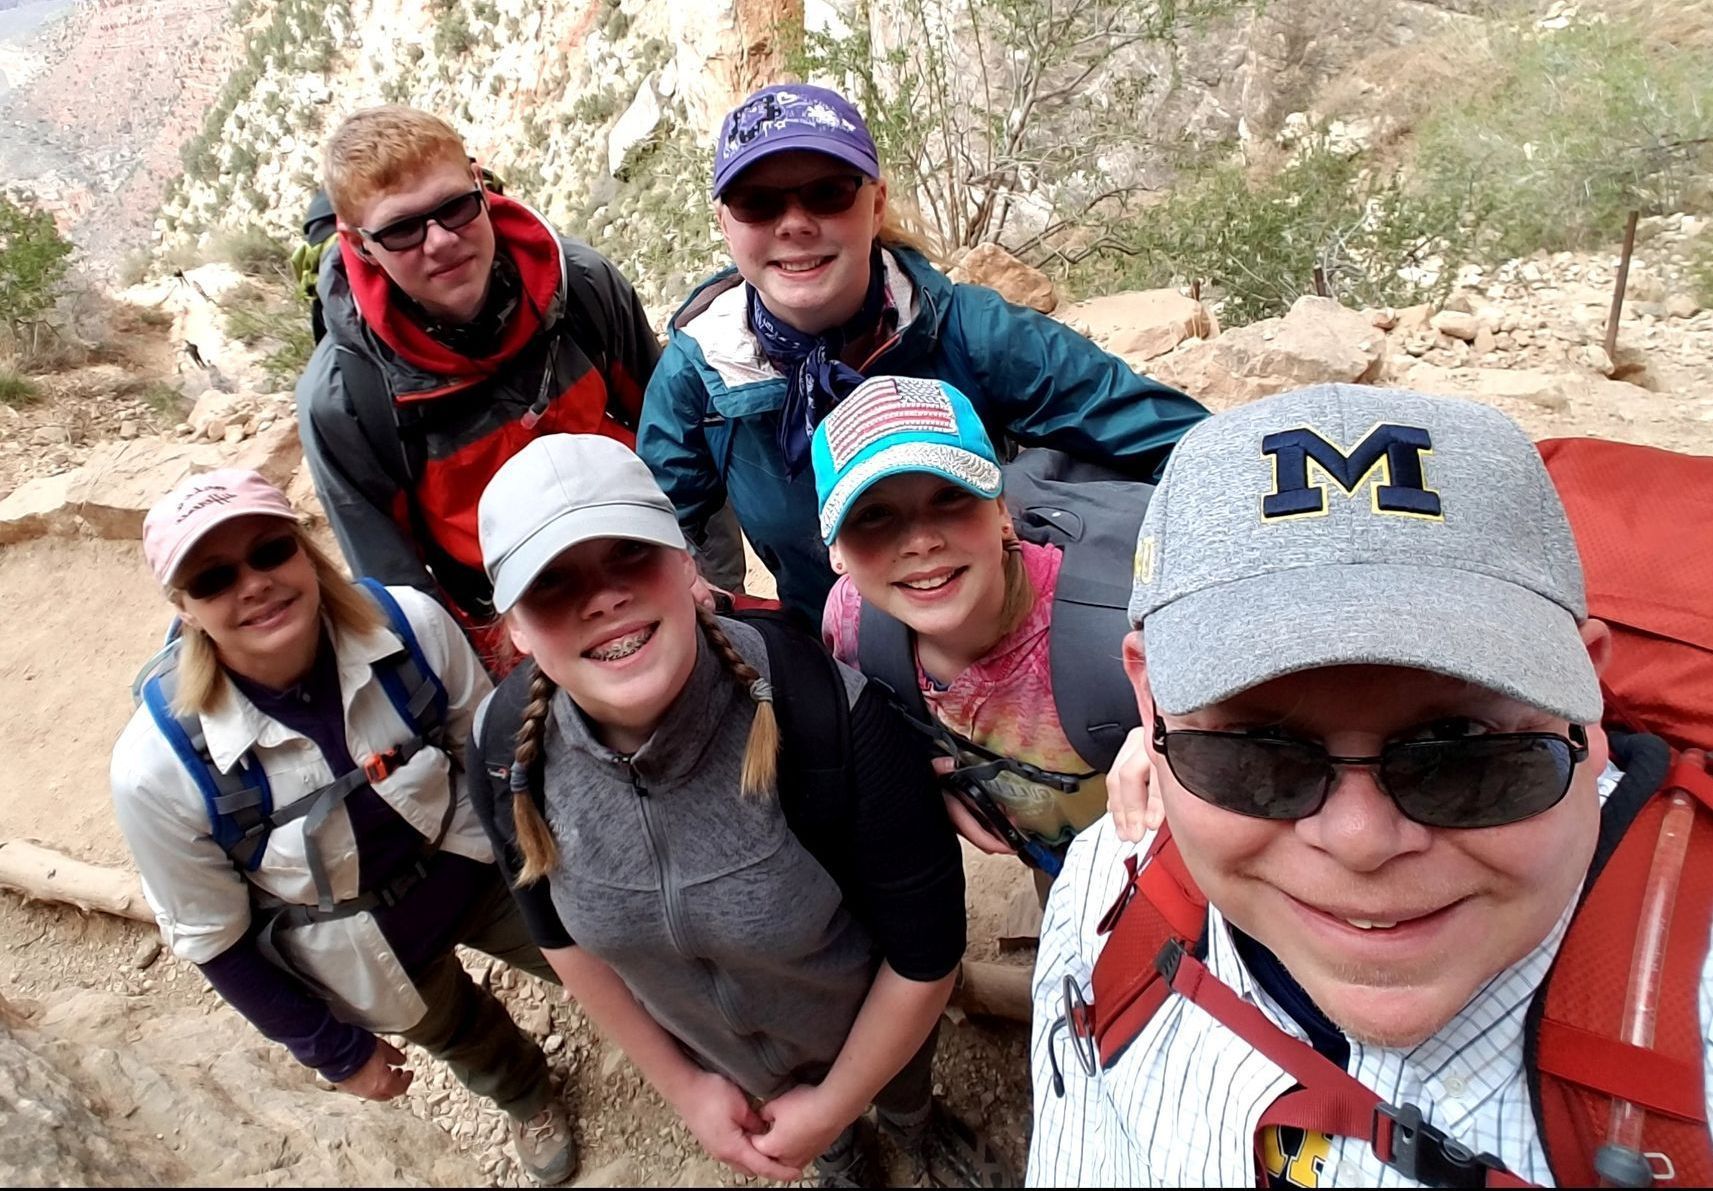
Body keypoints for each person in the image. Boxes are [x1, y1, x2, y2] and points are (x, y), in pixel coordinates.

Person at [1028, 384, 1713, 1187]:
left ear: (1582, 695)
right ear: (1149, 702)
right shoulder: (1106, 887)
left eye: (1459, 750)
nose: (1359, 842)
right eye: (1257, 752)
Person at [464, 434, 1013, 1187]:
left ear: (685, 562)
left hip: (873, 1027)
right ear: (516, 628)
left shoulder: (827, 714)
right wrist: (686, 1087)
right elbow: (555, 933)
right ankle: (842, 1152)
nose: (603, 597)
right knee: (831, 1137)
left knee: (899, 1088)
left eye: (630, 552)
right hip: (718, 1052)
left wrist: (830, 1103)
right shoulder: (506, 753)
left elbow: (923, 952)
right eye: (552, 582)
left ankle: (909, 1118)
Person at [110, 469, 577, 1185]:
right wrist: (334, 1051)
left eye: (269, 550)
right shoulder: (157, 770)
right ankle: (526, 1095)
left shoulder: (410, 626)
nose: (254, 583)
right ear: (184, 606)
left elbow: (488, 756)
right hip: (356, 942)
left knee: (592, 950)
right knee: (461, 1034)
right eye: (212, 577)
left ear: (304, 549)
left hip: (474, 862)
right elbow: (215, 939)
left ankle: (664, 1025)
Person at [636, 82, 1207, 626]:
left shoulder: (969, 333)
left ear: (876, 203)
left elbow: (1191, 450)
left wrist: (1041, 518)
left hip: (1002, 640)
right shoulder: (699, 374)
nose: (795, 224)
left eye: (828, 192)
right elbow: (651, 525)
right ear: (725, 225)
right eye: (756, 203)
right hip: (837, 666)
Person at [294, 105, 664, 664]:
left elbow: (679, 447)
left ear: (479, 184)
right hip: (506, 626)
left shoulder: (580, 287)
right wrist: (491, 691)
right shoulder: (347, 396)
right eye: (401, 230)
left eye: (455, 208)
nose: (440, 242)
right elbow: (398, 589)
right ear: (358, 243)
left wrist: (702, 576)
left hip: (648, 563)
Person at [815, 374, 1128, 882]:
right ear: (836, 552)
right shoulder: (851, 624)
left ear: (1002, 511)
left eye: (949, 496)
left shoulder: (1115, 631)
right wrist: (922, 782)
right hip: (1054, 861)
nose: (920, 542)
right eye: (873, 515)